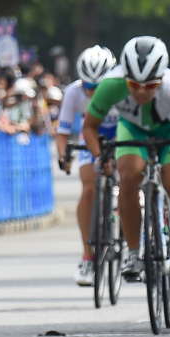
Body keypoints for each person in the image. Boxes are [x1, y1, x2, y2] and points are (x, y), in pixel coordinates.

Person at [82, 36, 170, 279]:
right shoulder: (110, 84)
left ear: (161, 79)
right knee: (130, 177)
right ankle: (133, 254)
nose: (141, 92)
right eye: (134, 85)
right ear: (125, 78)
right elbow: (90, 127)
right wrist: (99, 156)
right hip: (133, 128)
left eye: (150, 85)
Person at [54, 46, 117, 286]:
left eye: (98, 87)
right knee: (89, 187)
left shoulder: (121, 91)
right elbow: (63, 132)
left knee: (132, 178)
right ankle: (87, 255)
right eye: (88, 87)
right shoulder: (73, 92)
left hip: (120, 136)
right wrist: (63, 157)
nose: (92, 92)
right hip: (91, 138)